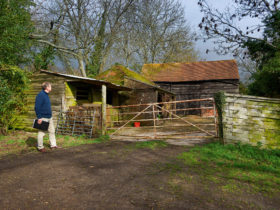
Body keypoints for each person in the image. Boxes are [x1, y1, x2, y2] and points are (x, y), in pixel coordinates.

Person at [35, 82, 58, 152]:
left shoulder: (46, 95)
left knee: (52, 131)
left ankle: (53, 145)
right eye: (50, 86)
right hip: (43, 117)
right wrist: (39, 117)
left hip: (49, 117)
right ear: (47, 87)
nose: (51, 87)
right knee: (41, 132)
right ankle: (40, 147)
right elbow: (37, 107)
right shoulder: (40, 95)